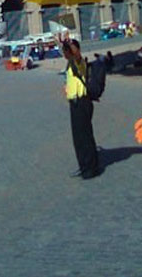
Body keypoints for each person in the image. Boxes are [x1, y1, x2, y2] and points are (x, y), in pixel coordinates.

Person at [61, 38, 101, 180]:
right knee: (78, 138)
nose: (64, 54)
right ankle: (84, 165)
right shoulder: (70, 64)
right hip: (75, 103)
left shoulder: (78, 61)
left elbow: (75, 53)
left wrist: (69, 43)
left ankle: (90, 168)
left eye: (65, 51)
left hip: (82, 103)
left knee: (84, 137)